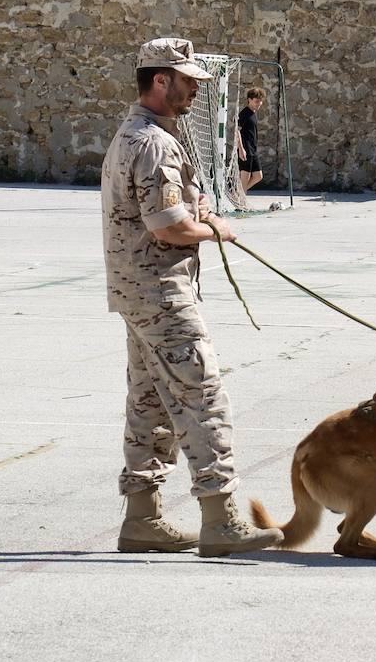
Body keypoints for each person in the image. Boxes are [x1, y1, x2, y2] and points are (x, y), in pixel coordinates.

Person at [101, 37, 284, 557]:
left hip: (136, 293)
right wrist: (215, 229)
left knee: (150, 402)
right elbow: (168, 226)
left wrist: (194, 207)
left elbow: (163, 208)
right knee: (203, 399)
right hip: (161, 293)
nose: (196, 91)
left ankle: (142, 518)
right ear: (161, 80)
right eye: (187, 81)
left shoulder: (133, 135)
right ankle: (221, 520)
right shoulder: (155, 143)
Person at [235, 87, 265, 202]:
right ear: (249, 100)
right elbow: (236, 131)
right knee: (245, 177)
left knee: (258, 176)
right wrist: (241, 149)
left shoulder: (253, 113)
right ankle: (241, 203)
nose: (259, 103)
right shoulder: (244, 113)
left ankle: (238, 194)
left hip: (253, 150)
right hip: (245, 149)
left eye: (260, 101)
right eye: (257, 101)